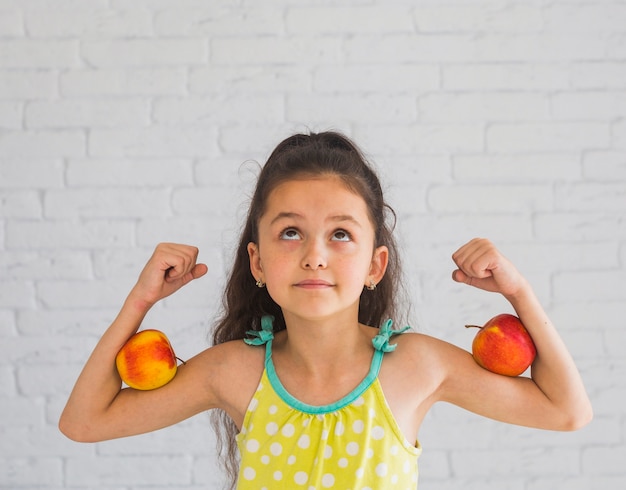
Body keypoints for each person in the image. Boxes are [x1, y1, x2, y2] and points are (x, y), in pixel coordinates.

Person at [59, 130, 592, 489]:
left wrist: (518, 294)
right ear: (258, 261)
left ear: (374, 265)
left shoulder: (416, 366)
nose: (314, 255)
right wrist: (140, 300)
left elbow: (567, 411)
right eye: (290, 232)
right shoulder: (232, 371)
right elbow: (84, 422)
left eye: (340, 234)